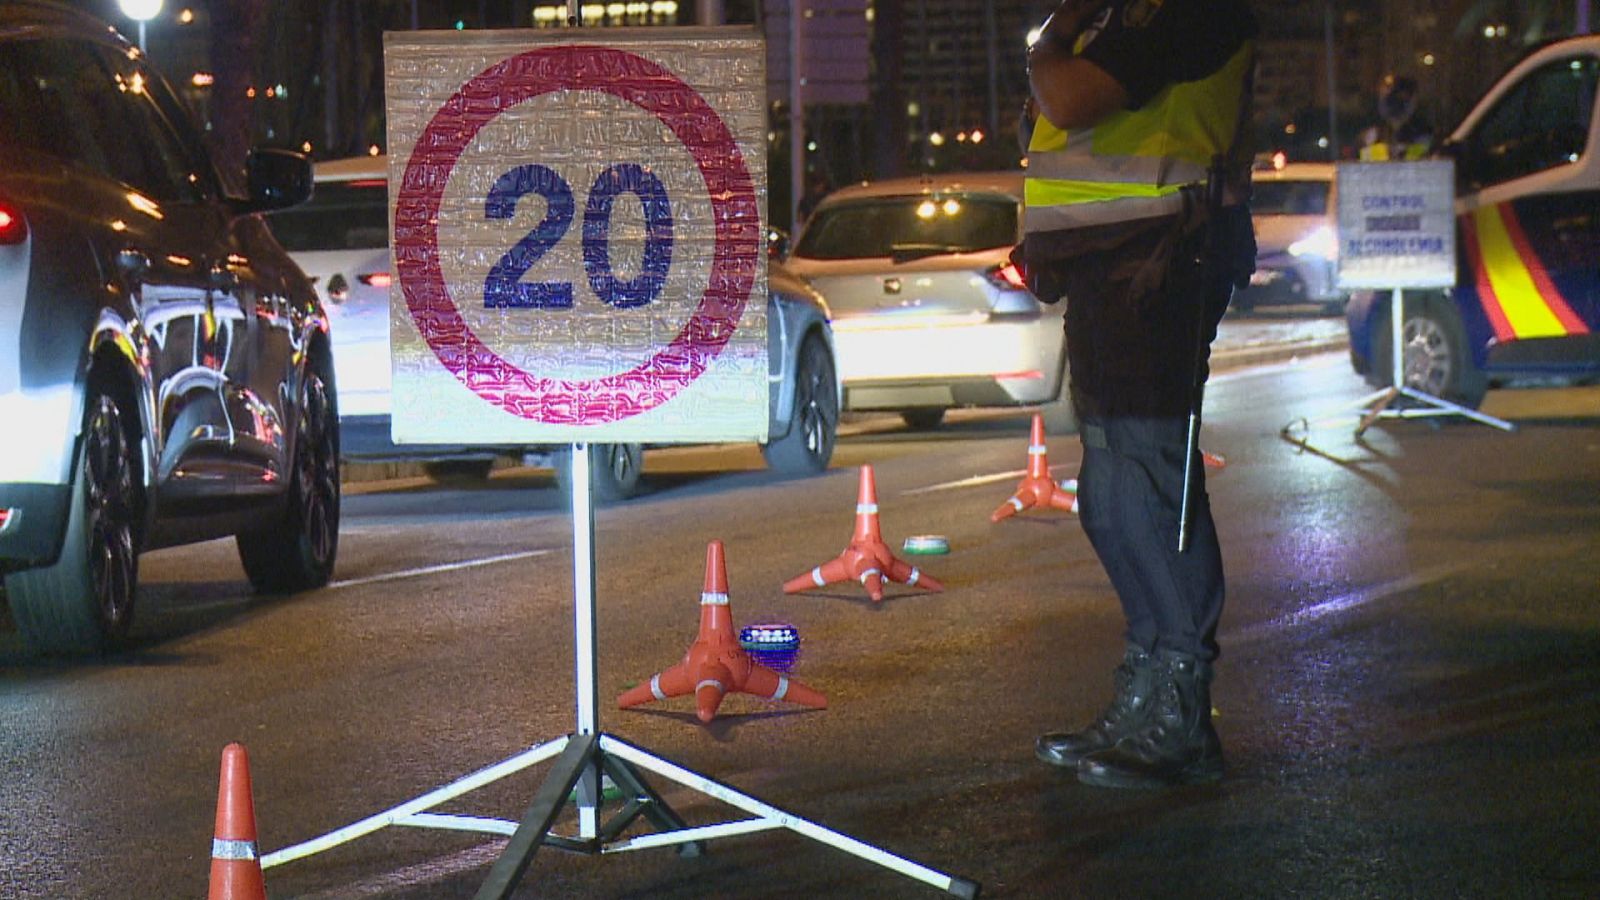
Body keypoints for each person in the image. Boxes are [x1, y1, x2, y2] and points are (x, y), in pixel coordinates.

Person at [1017, 0, 1258, 788]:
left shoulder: (1176, 10)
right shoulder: (1119, 16)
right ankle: (1147, 692)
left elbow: (1069, 98)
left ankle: (1181, 714)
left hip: (1162, 260)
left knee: (1151, 481)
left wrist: (1052, 38)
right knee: (1115, 488)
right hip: (1116, 262)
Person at [1359, 73, 1433, 161]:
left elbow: (1425, 159)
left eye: (1402, 98)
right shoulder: (1371, 132)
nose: (1394, 102)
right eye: (1387, 98)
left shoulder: (1422, 132)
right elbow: (1361, 162)